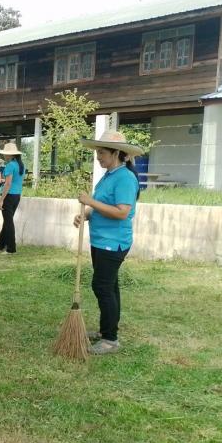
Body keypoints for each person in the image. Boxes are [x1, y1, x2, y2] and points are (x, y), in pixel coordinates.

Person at [74, 130, 143, 355]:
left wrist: (90, 201)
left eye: (102, 152)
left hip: (113, 243)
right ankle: (107, 331)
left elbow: (122, 212)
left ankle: (110, 340)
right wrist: (86, 214)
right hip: (101, 240)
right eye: (97, 152)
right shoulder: (109, 175)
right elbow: (104, 206)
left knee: (102, 286)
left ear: (116, 153)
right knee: (110, 286)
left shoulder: (125, 178)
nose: (98, 157)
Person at [0, 142, 26, 254]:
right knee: (7, 221)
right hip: (17, 196)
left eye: (5, 154)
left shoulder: (10, 166)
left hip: (8, 196)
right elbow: (16, 181)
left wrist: (1, 200)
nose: (4, 155)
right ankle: (0, 246)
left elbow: (8, 184)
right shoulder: (20, 165)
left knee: (8, 223)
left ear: (10, 154)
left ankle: (11, 249)